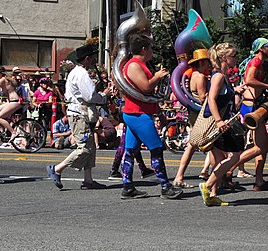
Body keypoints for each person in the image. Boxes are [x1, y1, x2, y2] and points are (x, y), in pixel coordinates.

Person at [116, 33, 183, 200]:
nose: (153, 51)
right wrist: (158, 76)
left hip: (137, 112)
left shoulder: (138, 64)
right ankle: (165, 186)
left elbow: (146, 93)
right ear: (144, 49)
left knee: (130, 151)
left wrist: (159, 112)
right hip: (138, 113)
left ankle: (128, 186)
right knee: (156, 148)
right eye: (151, 48)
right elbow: (146, 87)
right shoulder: (134, 65)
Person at [46, 44, 112, 190]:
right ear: (87, 58)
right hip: (79, 114)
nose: (95, 59)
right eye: (93, 57)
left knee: (90, 146)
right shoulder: (82, 74)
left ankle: (88, 180)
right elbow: (90, 96)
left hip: (80, 113)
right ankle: (57, 169)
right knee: (84, 148)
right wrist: (104, 95)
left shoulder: (77, 72)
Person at [199, 43, 247, 206]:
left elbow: (223, 95)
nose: (236, 58)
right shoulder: (218, 76)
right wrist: (219, 121)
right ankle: (207, 185)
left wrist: (236, 90)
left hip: (223, 120)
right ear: (224, 58)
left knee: (219, 157)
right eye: (233, 55)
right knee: (234, 156)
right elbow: (211, 99)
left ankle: (212, 194)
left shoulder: (223, 75)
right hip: (218, 122)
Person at [235, 38, 268, 189]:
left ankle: (259, 180)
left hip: (254, 104)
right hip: (251, 106)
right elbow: (249, 80)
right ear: (260, 48)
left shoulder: (259, 62)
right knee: (261, 146)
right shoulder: (255, 62)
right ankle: (226, 169)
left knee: (262, 145)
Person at [172, 50, 212, 188]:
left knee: (194, 145)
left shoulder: (194, 75)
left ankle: (182, 175)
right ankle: (180, 176)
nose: (209, 64)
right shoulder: (200, 77)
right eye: (207, 62)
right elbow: (203, 98)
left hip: (195, 114)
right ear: (200, 62)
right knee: (194, 145)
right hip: (200, 115)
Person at [0, 68, 23, 135]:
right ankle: (3, 131)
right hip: (10, 101)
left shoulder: (2, 80)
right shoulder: (3, 79)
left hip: (14, 101)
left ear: (1, 73)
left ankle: (13, 132)